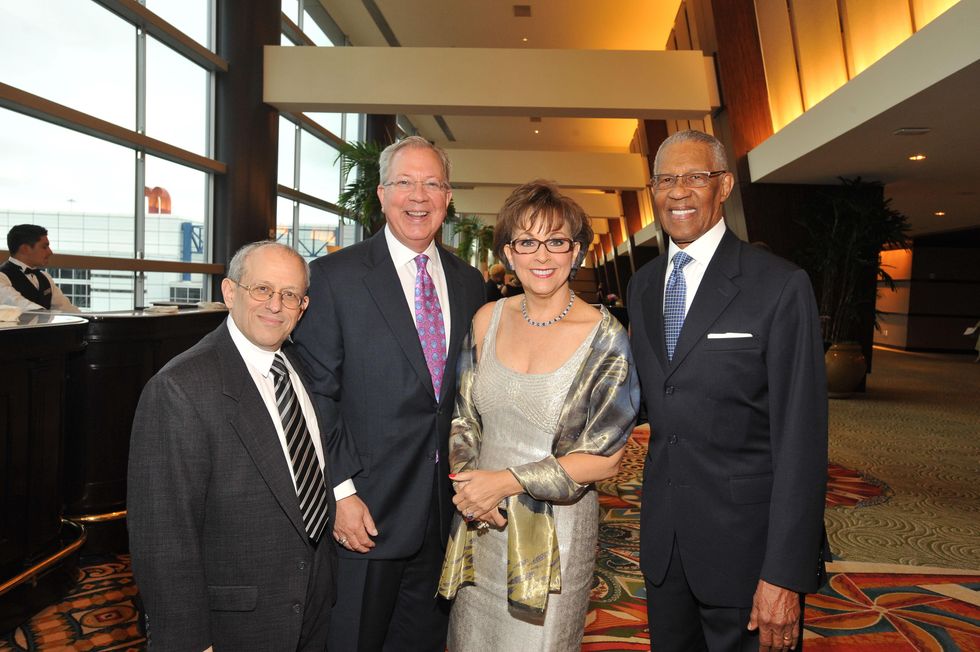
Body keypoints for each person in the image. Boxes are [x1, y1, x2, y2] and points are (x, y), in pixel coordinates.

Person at [626, 130, 828, 651]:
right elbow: (651, 398)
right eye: (666, 179)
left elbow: (801, 441)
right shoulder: (643, 285)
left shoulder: (779, 285)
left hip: (748, 554)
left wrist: (785, 574)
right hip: (665, 551)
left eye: (695, 177)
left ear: (725, 186)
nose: (678, 192)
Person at [291, 136, 486, 651]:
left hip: (445, 512)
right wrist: (340, 492)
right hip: (366, 514)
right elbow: (315, 396)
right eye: (404, 182)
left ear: (447, 197)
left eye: (431, 184)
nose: (417, 196)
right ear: (381, 195)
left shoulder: (471, 283)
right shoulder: (334, 277)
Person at [439, 180, 640, 651]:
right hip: (480, 522)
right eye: (526, 242)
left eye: (556, 241)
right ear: (509, 253)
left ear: (577, 252)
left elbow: (605, 459)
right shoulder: (487, 319)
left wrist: (504, 482)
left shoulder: (606, 338)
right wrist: (474, 489)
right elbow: (463, 418)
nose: (542, 255)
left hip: (554, 536)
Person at [127, 241, 336, 650]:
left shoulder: (297, 369)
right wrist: (188, 642)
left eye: (289, 295)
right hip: (233, 628)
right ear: (229, 293)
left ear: (303, 307)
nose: (275, 305)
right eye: (262, 289)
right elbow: (164, 539)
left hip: (310, 609)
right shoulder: (180, 388)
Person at [1, 224, 80, 312]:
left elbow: (66, 308)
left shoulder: (45, 277)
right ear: (25, 249)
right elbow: (21, 305)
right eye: (44, 247)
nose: (50, 252)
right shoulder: (2, 277)